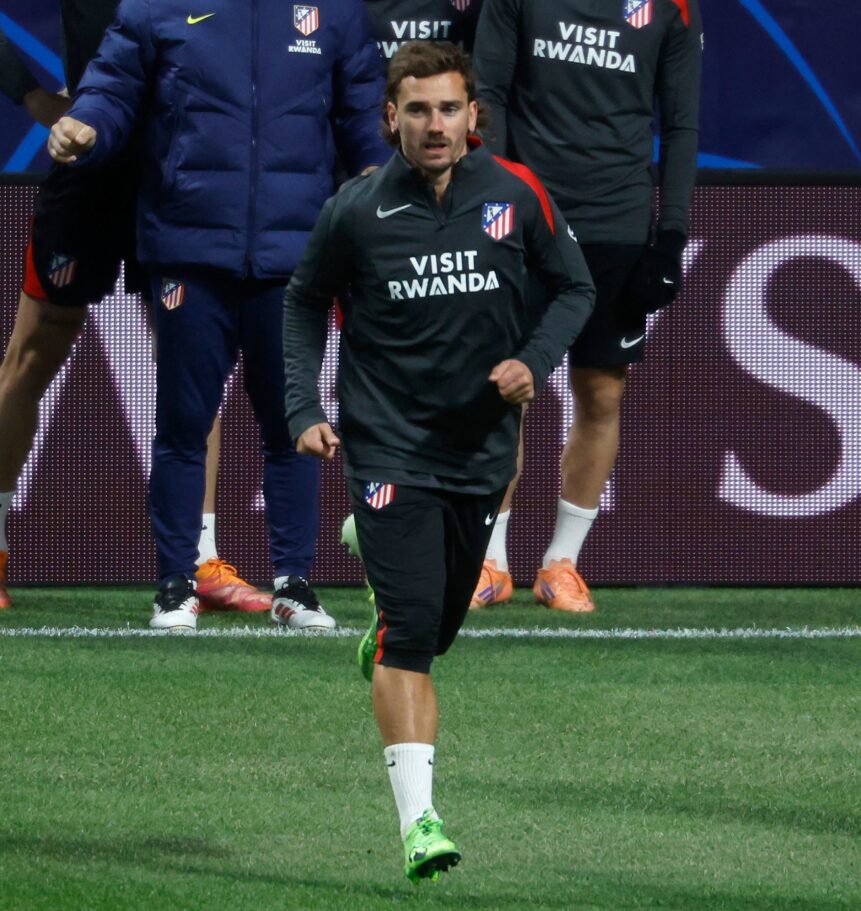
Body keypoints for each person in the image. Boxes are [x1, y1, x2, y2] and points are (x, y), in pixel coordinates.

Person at [283, 41, 593, 883]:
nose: (434, 124)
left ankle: (385, 590)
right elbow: (305, 301)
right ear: (391, 117)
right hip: (387, 443)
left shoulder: (516, 193)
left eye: (449, 108)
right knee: (413, 640)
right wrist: (304, 408)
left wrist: (534, 360)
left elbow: (576, 287)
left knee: (436, 626)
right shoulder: (355, 209)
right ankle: (419, 821)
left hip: (482, 451)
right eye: (417, 109)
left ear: (472, 115)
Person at [46, 0, 392, 631]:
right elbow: (112, 86)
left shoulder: (335, 10)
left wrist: (377, 167)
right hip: (189, 245)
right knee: (183, 424)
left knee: (292, 423)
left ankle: (293, 583)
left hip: (294, 254)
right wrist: (85, 124)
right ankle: (175, 582)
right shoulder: (157, 4)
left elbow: (364, 108)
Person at [470, 0, 703, 612]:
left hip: (617, 223)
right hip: (528, 215)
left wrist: (671, 234)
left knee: (601, 393)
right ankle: (489, 561)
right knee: (504, 390)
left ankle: (561, 563)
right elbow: (488, 94)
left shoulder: (674, 8)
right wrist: (493, 199)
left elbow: (681, 125)